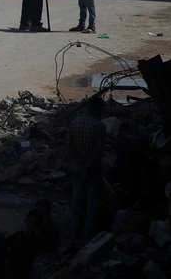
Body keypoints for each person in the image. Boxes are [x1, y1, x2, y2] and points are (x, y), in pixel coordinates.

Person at [67, 96, 106, 244]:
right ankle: (88, 234)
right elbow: (98, 152)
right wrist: (88, 166)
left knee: (76, 199)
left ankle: (74, 232)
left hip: (77, 168)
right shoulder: (99, 126)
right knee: (92, 201)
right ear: (99, 110)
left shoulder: (75, 123)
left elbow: (69, 147)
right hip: (93, 169)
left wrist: (79, 163)